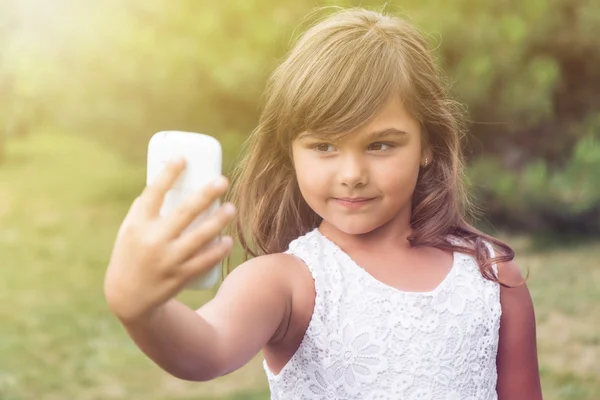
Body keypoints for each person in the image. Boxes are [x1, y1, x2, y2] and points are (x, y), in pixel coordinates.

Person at [103, 7, 543, 400]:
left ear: (427, 144)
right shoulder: (286, 284)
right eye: (325, 146)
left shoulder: (491, 275)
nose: (351, 173)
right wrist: (138, 308)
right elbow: (205, 350)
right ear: (290, 150)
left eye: (381, 145)